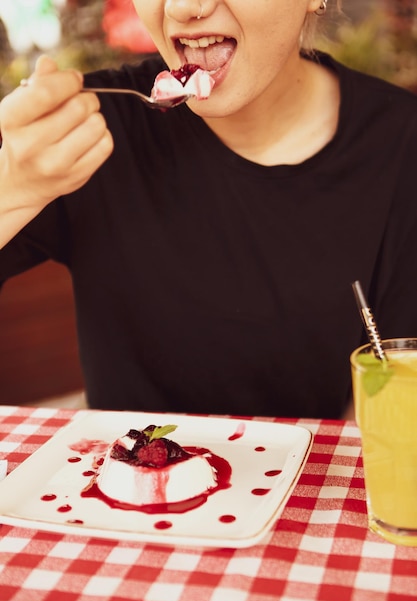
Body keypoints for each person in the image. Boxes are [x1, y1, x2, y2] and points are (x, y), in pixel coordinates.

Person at [1, 0, 417, 419]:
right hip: (118, 480)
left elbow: (394, 397)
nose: (183, 7)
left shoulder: (401, 144)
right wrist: (14, 187)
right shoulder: (85, 127)